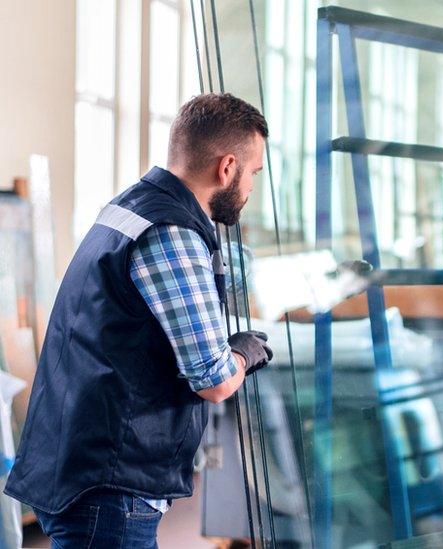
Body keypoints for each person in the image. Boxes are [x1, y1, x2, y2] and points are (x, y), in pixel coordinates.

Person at [5, 93, 274, 548]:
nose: (249, 188)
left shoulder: (130, 207)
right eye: (252, 174)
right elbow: (213, 378)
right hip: (110, 484)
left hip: (75, 459)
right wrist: (247, 350)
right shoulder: (172, 234)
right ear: (227, 168)